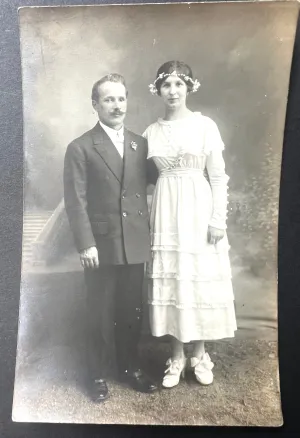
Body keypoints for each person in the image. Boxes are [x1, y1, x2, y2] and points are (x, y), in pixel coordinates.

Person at [64, 74, 157, 402]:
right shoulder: (80, 147)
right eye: (108, 99)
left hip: (133, 242)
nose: (116, 106)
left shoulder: (139, 143)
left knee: (131, 309)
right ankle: (96, 374)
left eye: (121, 99)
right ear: (95, 105)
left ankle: (129, 368)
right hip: (100, 245)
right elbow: (76, 202)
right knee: (100, 312)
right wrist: (85, 243)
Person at [143, 61, 237, 388]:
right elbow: (145, 183)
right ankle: (176, 356)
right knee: (174, 281)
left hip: (199, 210)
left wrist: (217, 219)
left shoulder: (205, 126)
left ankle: (199, 354)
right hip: (166, 211)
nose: (172, 91)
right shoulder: (150, 132)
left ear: (189, 88)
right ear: (157, 89)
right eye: (166, 85)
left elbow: (219, 177)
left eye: (178, 85)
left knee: (196, 278)